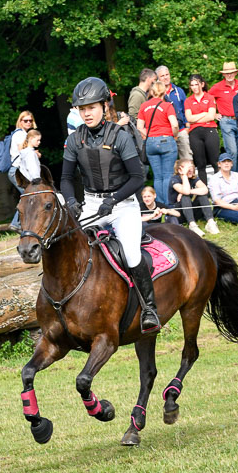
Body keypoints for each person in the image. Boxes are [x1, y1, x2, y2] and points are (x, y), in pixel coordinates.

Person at [62, 76, 161, 333]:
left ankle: (149, 309)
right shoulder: (74, 140)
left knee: (130, 253)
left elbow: (138, 178)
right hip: (92, 206)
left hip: (123, 205)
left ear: (105, 106)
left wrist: (114, 200)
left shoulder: (120, 136)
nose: (87, 113)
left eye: (91, 107)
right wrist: (72, 201)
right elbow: (65, 178)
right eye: (82, 109)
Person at [137, 81, 179, 204]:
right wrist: (174, 135)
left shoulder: (144, 106)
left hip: (151, 142)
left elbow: (139, 126)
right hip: (166, 140)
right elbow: (175, 124)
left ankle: (159, 205)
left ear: (152, 92)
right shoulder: (167, 106)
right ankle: (168, 204)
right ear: (164, 92)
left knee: (158, 176)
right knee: (167, 175)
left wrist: (149, 135)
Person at [167, 159, 220, 236]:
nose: (191, 170)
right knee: (185, 196)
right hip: (178, 213)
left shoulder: (193, 177)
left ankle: (210, 222)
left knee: (202, 195)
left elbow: (205, 189)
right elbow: (186, 192)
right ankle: (192, 225)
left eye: (192, 167)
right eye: (188, 168)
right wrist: (184, 176)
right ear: (180, 170)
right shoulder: (174, 179)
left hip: (190, 211)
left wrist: (189, 191)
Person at [184, 74, 220, 184]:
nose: (194, 87)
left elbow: (211, 116)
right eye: (192, 85)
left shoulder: (209, 97)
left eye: (196, 84)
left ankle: (219, 186)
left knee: (215, 161)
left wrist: (197, 117)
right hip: (195, 132)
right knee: (200, 163)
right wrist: (204, 114)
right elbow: (189, 118)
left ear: (202, 84)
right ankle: (204, 190)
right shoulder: (188, 101)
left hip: (210, 129)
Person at [155, 65, 192, 159]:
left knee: (187, 158)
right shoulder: (155, 94)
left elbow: (186, 109)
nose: (165, 77)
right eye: (162, 76)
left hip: (181, 130)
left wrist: (187, 127)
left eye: (167, 74)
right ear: (158, 79)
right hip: (165, 133)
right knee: (169, 161)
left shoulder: (179, 91)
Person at [8, 111, 38, 230]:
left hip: (19, 171)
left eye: (30, 120)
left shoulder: (24, 134)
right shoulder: (20, 134)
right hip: (17, 171)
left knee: (30, 195)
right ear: (20, 122)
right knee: (31, 195)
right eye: (25, 120)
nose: (28, 123)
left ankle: (18, 224)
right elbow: (21, 149)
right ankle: (17, 223)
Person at [209, 62, 238, 170]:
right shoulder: (217, 87)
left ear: (236, 73)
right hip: (226, 121)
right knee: (232, 151)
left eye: (231, 73)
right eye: (227, 73)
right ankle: (232, 179)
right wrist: (213, 114)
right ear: (223, 75)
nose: (229, 75)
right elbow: (207, 99)